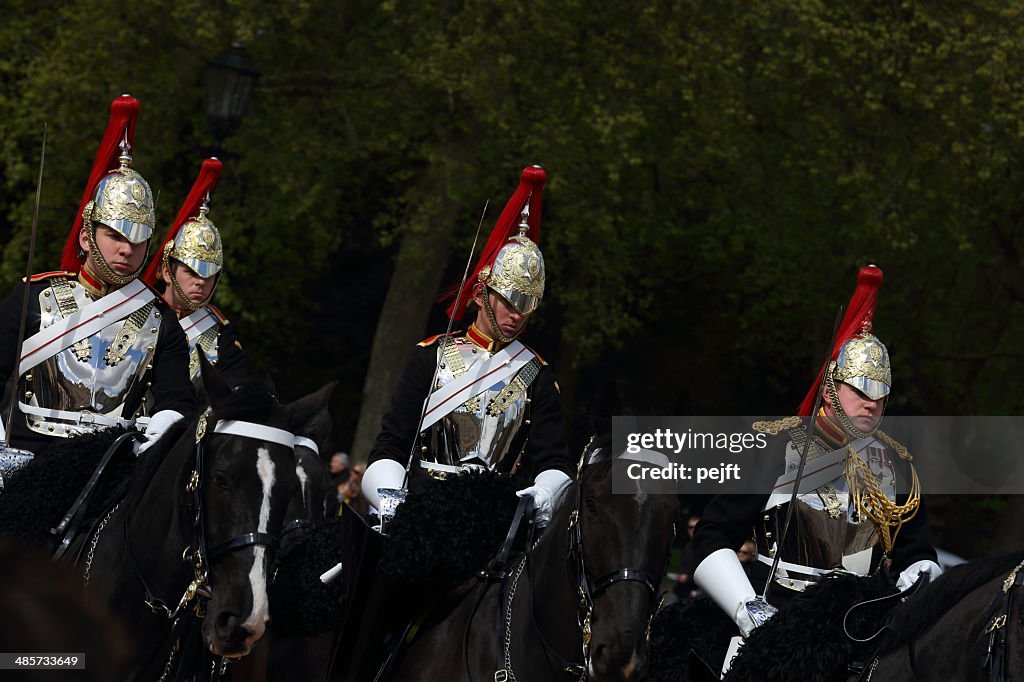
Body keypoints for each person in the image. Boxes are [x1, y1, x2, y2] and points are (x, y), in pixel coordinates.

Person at [692, 265, 940, 638]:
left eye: (879, 393)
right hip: (775, 616)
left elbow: (916, 553)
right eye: (859, 390)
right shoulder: (775, 446)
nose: (871, 403)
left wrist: (911, 590)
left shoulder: (896, 465)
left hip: (859, 627)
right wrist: (748, 610)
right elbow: (713, 536)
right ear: (829, 390)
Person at [362, 165, 574, 528]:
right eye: (509, 301)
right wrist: (391, 498)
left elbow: (554, 460)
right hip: (422, 511)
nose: (517, 315)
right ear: (480, 293)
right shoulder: (431, 356)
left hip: (497, 520)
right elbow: (391, 444)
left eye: (527, 305)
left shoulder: (537, 374)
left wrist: (543, 494)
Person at [0, 95, 195, 454]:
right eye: (116, 236)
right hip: (27, 460)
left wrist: (161, 426)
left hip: (112, 468)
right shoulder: (33, 297)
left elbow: (178, 400)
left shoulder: (161, 320)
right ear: (87, 237)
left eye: (139, 241)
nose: (127, 250)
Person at [141, 157, 248, 389]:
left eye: (209, 274)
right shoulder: (139, 314)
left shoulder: (221, 335)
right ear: (168, 272)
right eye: (192, 272)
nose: (201, 282)